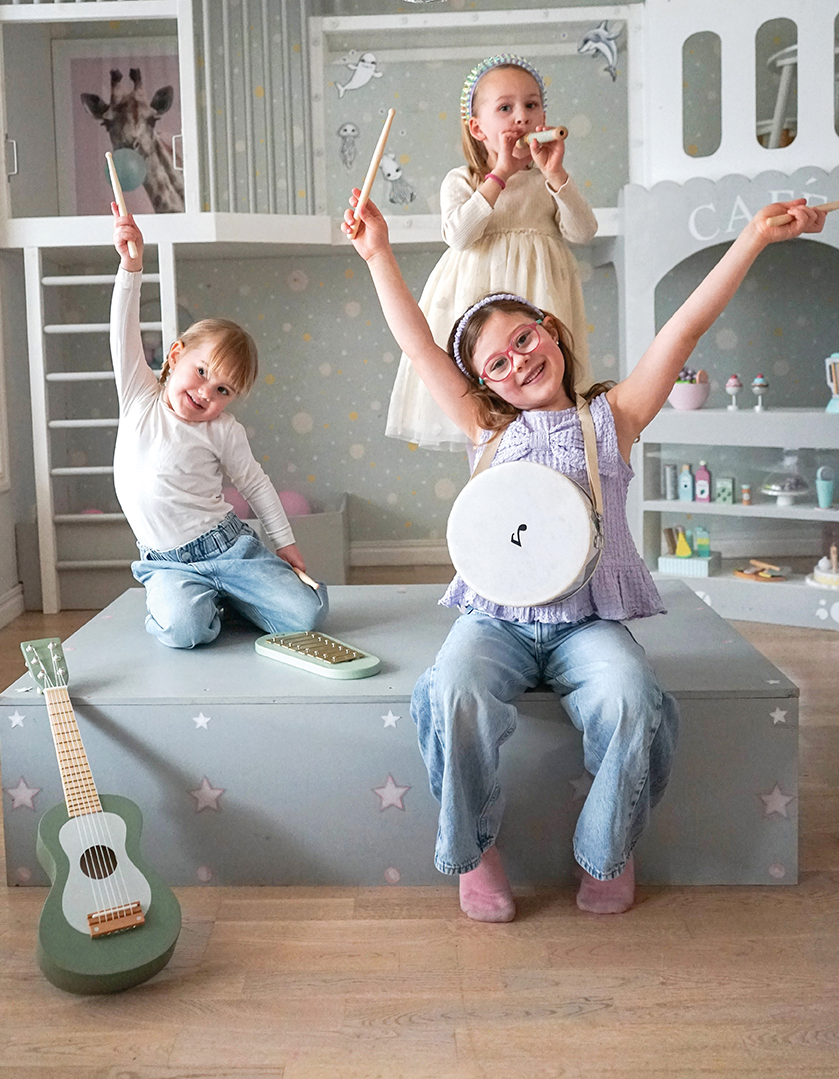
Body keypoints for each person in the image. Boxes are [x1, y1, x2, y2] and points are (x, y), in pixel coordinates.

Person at [343, 188, 825, 922]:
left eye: (522, 340)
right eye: (496, 364)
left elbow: (685, 326)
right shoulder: (485, 427)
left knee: (631, 695)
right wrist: (378, 252)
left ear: (550, 330)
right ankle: (476, 848)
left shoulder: (613, 416)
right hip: (497, 618)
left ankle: (607, 845)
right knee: (453, 689)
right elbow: (417, 345)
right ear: (483, 384)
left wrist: (753, 237)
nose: (516, 363)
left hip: (585, 621)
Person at [110, 205, 327, 648]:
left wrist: (284, 543)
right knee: (183, 631)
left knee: (308, 613)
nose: (206, 393)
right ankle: (209, 603)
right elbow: (122, 331)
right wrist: (131, 268)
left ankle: (234, 594)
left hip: (227, 549)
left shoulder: (223, 430)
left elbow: (256, 485)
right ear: (175, 355)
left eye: (223, 390)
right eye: (202, 372)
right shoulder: (139, 397)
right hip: (168, 563)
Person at [385, 55, 598, 450]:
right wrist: (499, 173)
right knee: (486, 417)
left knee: (542, 401)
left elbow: (583, 231)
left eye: (531, 105)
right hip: (479, 309)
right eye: (505, 108)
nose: (521, 117)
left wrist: (556, 175)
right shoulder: (464, 179)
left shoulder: (545, 181)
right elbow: (459, 235)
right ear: (478, 128)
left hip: (536, 306)